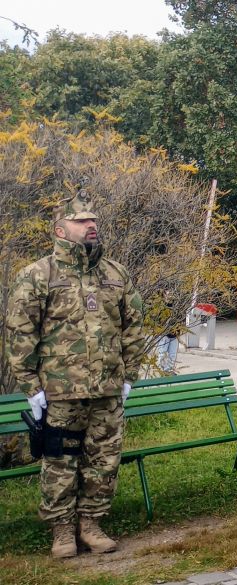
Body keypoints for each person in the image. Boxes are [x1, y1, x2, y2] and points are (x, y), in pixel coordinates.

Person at [5, 193, 146, 558]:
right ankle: (62, 531)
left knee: (104, 461)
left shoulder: (115, 273)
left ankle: (91, 524)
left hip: (107, 392)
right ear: (60, 228)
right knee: (60, 464)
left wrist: (129, 375)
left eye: (93, 219)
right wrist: (30, 387)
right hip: (60, 394)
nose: (91, 225)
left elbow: (133, 327)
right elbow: (20, 333)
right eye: (82, 220)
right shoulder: (38, 275)